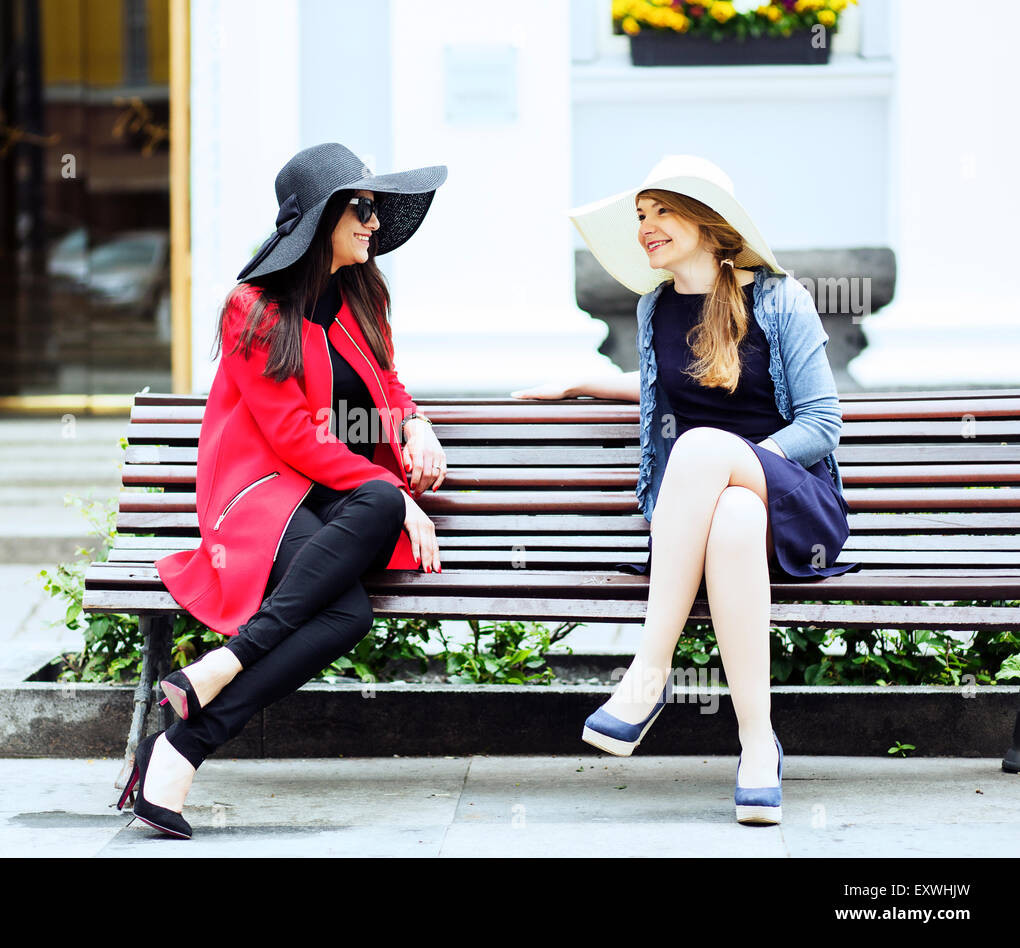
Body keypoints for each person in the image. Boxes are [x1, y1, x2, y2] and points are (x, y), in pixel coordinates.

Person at [513, 155, 859, 826]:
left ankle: (648, 672)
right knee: (728, 514)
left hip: (795, 505)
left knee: (704, 452)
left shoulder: (778, 298)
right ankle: (758, 745)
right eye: (641, 215)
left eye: (662, 210)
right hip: (717, 519)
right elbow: (658, 391)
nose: (645, 226)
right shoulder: (654, 310)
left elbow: (823, 423)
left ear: (708, 222)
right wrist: (582, 383)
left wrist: (735, 460)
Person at [118, 143, 449, 838]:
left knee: (355, 591)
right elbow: (294, 436)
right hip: (265, 495)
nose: (373, 222)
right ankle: (203, 708)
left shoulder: (364, 295)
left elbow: (384, 382)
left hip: (338, 501)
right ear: (322, 216)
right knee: (350, 603)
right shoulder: (254, 309)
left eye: (376, 209)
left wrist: (416, 426)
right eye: (361, 207)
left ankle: (184, 732)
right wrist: (398, 492)